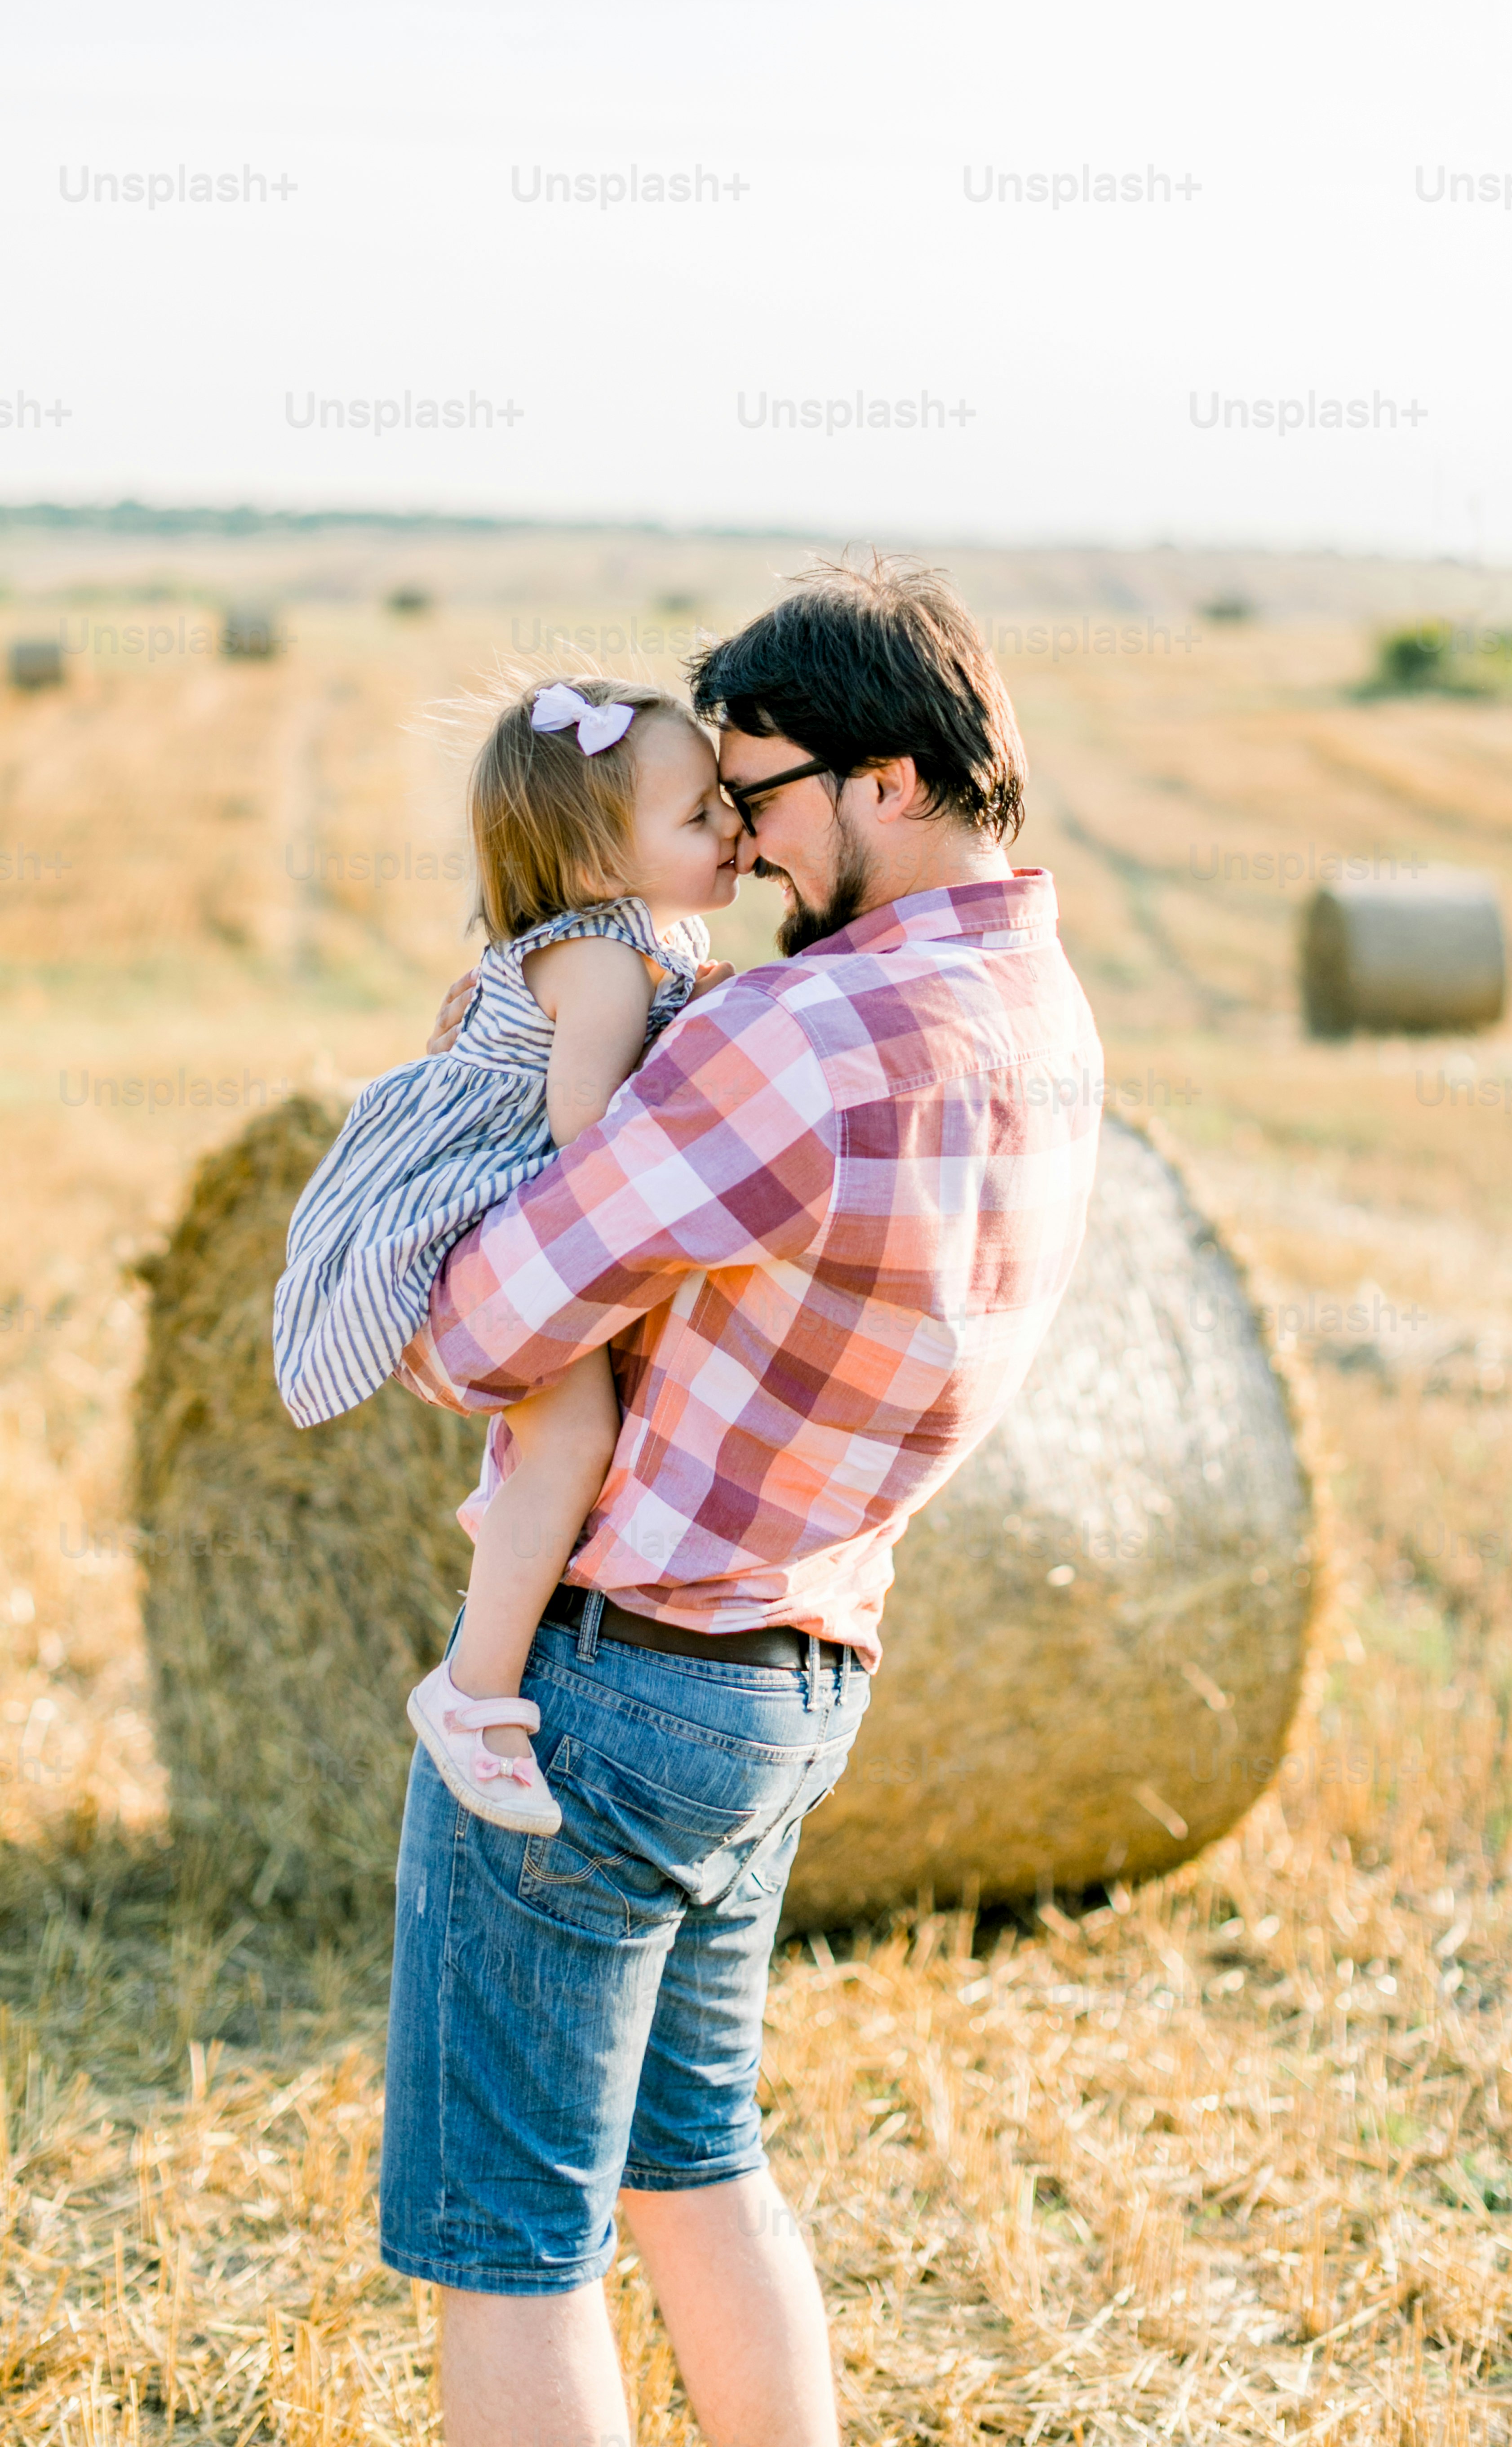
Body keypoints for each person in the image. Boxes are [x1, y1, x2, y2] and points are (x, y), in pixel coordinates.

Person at [287, 560, 1104, 2447]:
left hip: (617, 1686)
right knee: (697, 2166)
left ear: (890, 781)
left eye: (762, 792)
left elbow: (489, 1316)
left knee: (511, 2246)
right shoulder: (1039, 1013)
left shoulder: (791, 1038)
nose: (739, 839)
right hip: (794, 1678)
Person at [272, 675, 742, 1833]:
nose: (733, 825)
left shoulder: (642, 940)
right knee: (572, 1436)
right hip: (494, 1192)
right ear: (596, 864)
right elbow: (592, 1128)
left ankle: (485, 1673)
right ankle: (473, 1694)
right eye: (699, 818)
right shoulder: (600, 959)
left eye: (724, 802)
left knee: (559, 1445)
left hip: (507, 1187)